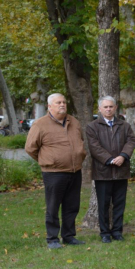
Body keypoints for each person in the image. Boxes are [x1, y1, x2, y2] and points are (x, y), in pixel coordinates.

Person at [25, 93, 87, 249]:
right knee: (53, 206)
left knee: (72, 206)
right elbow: (30, 148)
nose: (62, 105)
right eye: (58, 102)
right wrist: (47, 160)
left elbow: (81, 141)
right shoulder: (40, 124)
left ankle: (69, 236)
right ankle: (52, 238)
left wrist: (79, 155)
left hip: (74, 171)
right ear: (49, 106)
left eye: (64, 102)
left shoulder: (74, 122)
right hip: (53, 173)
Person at [86, 96, 135, 243]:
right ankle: (104, 233)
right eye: (105, 107)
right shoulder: (92, 126)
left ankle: (117, 231)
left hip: (121, 171)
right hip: (103, 172)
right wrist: (109, 159)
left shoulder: (124, 125)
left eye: (111, 106)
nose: (108, 109)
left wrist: (123, 156)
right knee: (103, 204)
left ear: (115, 108)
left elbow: (131, 141)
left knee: (119, 203)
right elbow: (94, 147)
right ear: (100, 109)